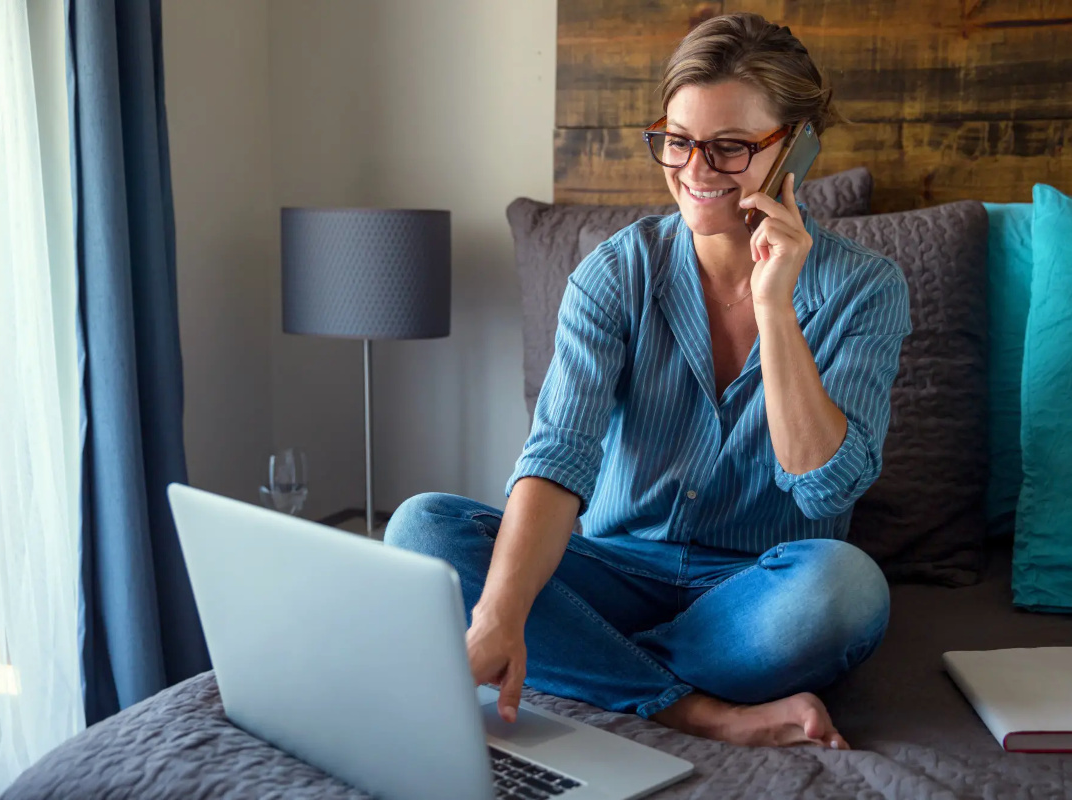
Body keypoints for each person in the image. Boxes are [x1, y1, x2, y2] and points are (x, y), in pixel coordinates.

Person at [384, 12, 911, 750]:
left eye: (730, 147)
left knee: (846, 592)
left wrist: (775, 307)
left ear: (798, 147)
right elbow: (557, 460)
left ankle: (584, 657)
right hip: (612, 568)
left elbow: (824, 487)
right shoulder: (615, 271)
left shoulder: (868, 290)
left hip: (756, 591)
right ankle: (693, 708)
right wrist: (502, 614)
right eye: (678, 140)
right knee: (419, 529)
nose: (695, 171)